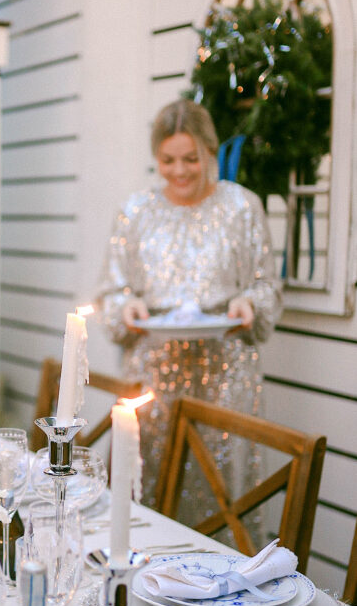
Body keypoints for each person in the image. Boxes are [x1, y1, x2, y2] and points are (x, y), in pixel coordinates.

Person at [96, 99, 282, 536]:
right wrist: (128, 307)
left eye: (191, 159)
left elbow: (267, 287)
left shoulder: (242, 208)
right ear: (156, 156)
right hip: (154, 381)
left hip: (226, 377)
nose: (179, 171)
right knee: (152, 494)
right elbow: (110, 292)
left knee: (224, 500)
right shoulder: (135, 211)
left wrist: (248, 306)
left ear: (210, 152)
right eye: (168, 160)